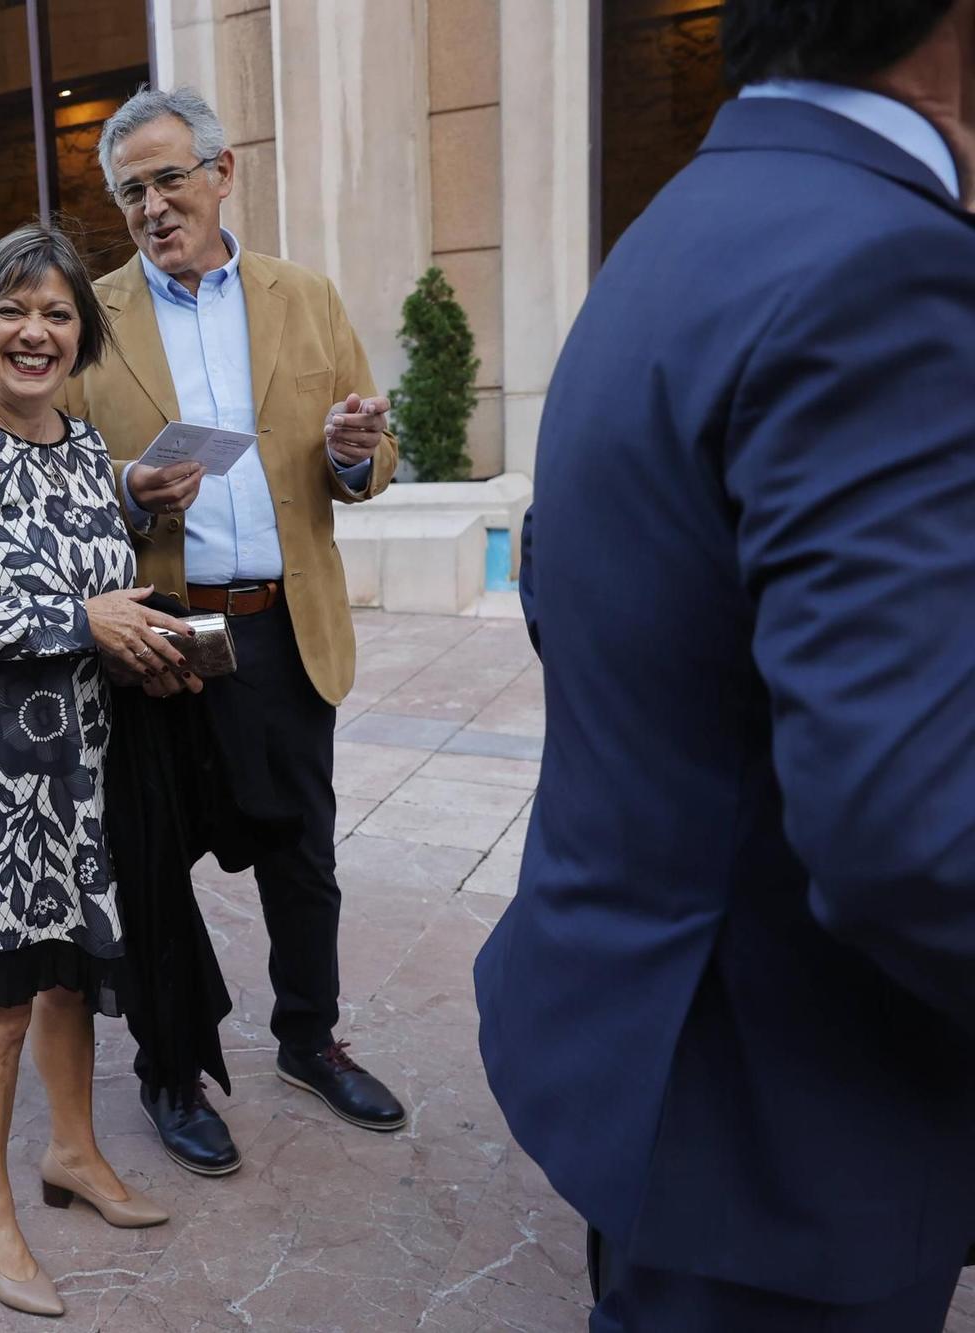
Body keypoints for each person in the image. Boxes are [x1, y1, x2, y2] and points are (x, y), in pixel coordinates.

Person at [475, 2, 975, 1329]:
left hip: (653, 1062)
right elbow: (915, 833)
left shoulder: (682, 224)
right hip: (787, 1130)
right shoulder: (889, 268)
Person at [59, 86, 406, 1178]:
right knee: (152, 861)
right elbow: (60, 482)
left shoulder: (303, 297)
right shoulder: (91, 314)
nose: (152, 206)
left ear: (222, 171)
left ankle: (306, 1038)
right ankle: (171, 1071)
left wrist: (354, 448)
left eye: (168, 178)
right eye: (130, 191)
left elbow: (365, 464)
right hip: (156, 633)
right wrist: (125, 491)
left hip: (278, 626)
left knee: (302, 859)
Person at [0, 225, 194, 1318]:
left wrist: (146, 614)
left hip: (77, 773)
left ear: (80, 335)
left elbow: (91, 577)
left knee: (70, 980)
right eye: (14, 311)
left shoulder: (80, 449)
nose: (35, 331)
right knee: (2, 1006)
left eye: (57, 314)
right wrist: (82, 618)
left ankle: (72, 1156)